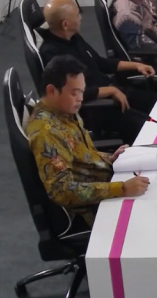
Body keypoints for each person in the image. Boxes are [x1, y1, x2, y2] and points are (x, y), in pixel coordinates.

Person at [26, 56, 150, 229]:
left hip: (103, 182)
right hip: (92, 209)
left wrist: (108, 158)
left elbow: (78, 153)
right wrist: (121, 189)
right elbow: (61, 191)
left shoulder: (64, 110)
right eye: (74, 93)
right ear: (52, 90)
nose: (80, 98)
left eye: (82, 92)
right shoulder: (46, 133)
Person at [38, 0, 157, 143]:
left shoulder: (73, 38)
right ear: (65, 24)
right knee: (149, 127)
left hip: (110, 92)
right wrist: (110, 91)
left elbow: (100, 62)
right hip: (94, 108)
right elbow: (71, 94)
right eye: (77, 15)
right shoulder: (52, 53)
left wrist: (136, 65)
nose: (81, 18)